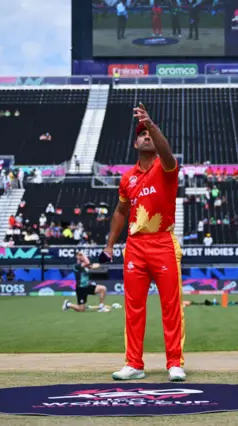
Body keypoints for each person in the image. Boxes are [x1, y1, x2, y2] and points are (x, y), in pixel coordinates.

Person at [98, 102, 186, 382]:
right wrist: (110, 244)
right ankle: (134, 364)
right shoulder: (127, 179)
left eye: (149, 133)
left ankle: (174, 363)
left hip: (163, 243)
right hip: (135, 246)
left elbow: (167, 152)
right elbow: (121, 211)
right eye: (141, 134)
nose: (146, 136)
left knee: (170, 306)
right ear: (135, 143)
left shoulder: (166, 167)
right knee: (133, 308)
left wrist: (150, 123)